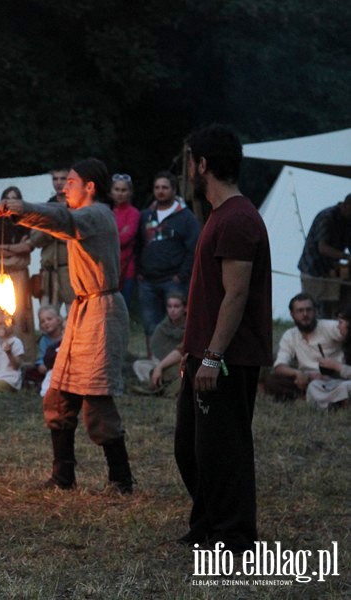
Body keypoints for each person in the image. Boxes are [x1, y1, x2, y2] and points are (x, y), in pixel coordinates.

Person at [0, 158, 134, 494]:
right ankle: (63, 476)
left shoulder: (96, 214)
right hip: (83, 312)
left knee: (96, 399)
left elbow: (64, 219)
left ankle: (121, 480)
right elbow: (58, 223)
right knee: (58, 395)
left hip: (101, 314)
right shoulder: (82, 217)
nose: (64, 187)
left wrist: (21, 207)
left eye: (70, 182)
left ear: (90, 187)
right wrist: (18, 214)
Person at [174, 125, 272, 552]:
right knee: (191, 449)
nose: (187, 170)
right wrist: (191, 351)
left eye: (190, 161)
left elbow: (236, 294)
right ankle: (208, 524)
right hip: (204, 352)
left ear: (203, 164)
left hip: (228, 356)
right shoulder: (218, 215)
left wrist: (212, 357)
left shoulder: (236, 219)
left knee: (225, 448)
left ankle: (234, 537)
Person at [136, 171, 200, 358]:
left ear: (173, 190)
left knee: (176, 323)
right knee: (150, 324)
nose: (160, 191)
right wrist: (139, 270)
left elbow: (193, 248)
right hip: (147, 280)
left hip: (173, 280)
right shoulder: (146, 216)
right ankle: (153, 362)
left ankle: (174, 363)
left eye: (165, 187)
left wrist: (182, 274)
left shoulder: (186, 217)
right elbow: (138, 244)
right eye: (157, 187)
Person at [0, 187, 35, 357]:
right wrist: (14, 250)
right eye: (7, 198)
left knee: (19, 317)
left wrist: (4, 249)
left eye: (14, 198)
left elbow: (26, 247)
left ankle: (20, 358)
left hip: (18, 275)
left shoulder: (26, 224)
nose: (9, 202)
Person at [267, 292, 343, 400]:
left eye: (309, 310)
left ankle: (311, 397)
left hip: (333, 378)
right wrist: (298, 374)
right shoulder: (290, 335)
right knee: (273, 380)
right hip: (306, 379)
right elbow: (280, 366)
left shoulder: (330, 327)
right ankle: (310, 396)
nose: (305, 314)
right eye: (300, 311)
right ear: (292, 314)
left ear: (315, 311)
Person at [297, 193, 351, 318]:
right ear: (346, 205)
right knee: (311, 309)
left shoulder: (347, 221)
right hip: (312, 270)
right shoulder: (327, 217)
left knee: (330, 310)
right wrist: (346, 257)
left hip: (330, 271)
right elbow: (323, 248)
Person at [30, 166, 75, 311]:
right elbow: (35, 239)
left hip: (70, 269)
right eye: (55, 179)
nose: (59, 182)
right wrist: (52, 229)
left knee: (73, 317)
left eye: (63, 179)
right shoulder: (46, 207)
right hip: (49, 271)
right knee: (47, 315)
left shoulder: (77, 206)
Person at [132, 291, 186, 387]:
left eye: (176, 306)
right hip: (161, 364)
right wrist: (159, 366)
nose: (172, 310)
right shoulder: (162, 327)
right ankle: (157, 382)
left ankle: (163, 382)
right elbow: (155, 352)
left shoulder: (189, 327)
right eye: (169, 306)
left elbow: (183, 350)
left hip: (181, 364)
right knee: (139, 365)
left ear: (184, 308)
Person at [306, 305, 351, 410]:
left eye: (341, 323)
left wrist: (336, 366)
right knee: (315, 385)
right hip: (344, 385)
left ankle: (332, 403)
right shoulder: (348, 346)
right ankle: (335, 404)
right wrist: (329, 376)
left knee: (346, 387)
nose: (338, 327)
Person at [110, 173, 140, 304]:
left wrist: (112, 235)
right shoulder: (108, 212)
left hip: (127, 268)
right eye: (117, 190)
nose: (120, 193)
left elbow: (126, 238)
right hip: (110, 267)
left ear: (130, 192)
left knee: (123, 306)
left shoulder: (133, 213)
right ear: (111, 192)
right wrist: (119, 233)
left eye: (123, 190)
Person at [23, 305, 64, 388]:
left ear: (58, 319)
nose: (46, 323)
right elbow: (42, 356)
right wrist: (41, 364)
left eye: (49, 319)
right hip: (50, 368)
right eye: (42, 321)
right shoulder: (44, 340)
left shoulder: (65, 335)